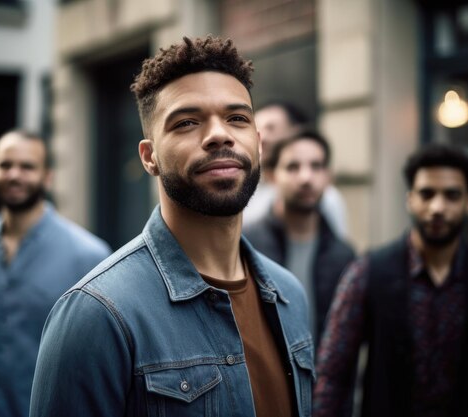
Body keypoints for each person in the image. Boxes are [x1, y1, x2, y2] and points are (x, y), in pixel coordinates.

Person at [29, 36, 314, 417]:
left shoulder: (289, 295)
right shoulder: (97, 316)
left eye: (237, 118)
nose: (219, 134)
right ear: (149, 157)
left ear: (258, 144)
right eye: (187, 122)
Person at [313, 144, 468, 417]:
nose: (438, 207)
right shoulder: (369, 271)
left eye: (451, 195)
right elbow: (333, 374)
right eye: (427, 194)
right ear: (410, 199)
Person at [0, 130, 111, 417]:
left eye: (27, 166)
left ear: (47, 176)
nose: (14, 175)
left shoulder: (90, 256)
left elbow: (100, 371)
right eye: (5, 165)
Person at [244, 131, 355, 345]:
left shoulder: (343, 255)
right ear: (272, 176)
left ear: (328, 176)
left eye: (316, 166)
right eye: (293, 167)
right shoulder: (246, 243)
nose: (306, 178)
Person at [243, 101, 349, 238]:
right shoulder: (246, 188)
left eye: (271, 128)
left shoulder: (326, 198)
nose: (262, 138)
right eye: (257, 129)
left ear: (296, 131)